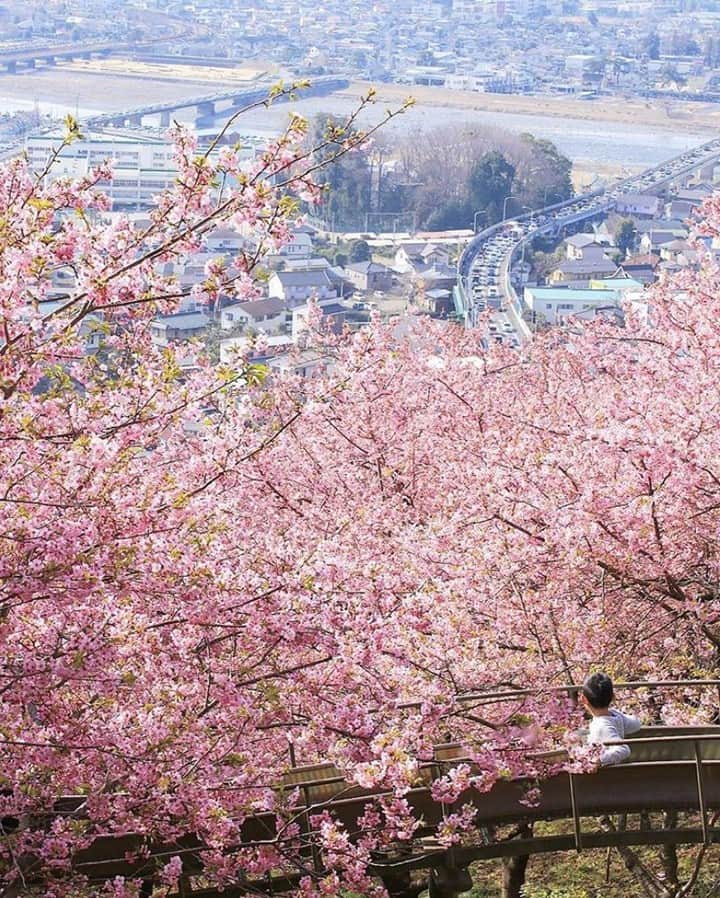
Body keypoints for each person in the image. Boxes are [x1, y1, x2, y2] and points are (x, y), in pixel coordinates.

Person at [580, 672, 641, 766]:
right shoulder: (615, 715)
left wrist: (600, 760)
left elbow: (623, 749)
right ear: (613, 697)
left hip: (603, 775)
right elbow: (636, 724)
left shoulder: (602, 726)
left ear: (584, 699)